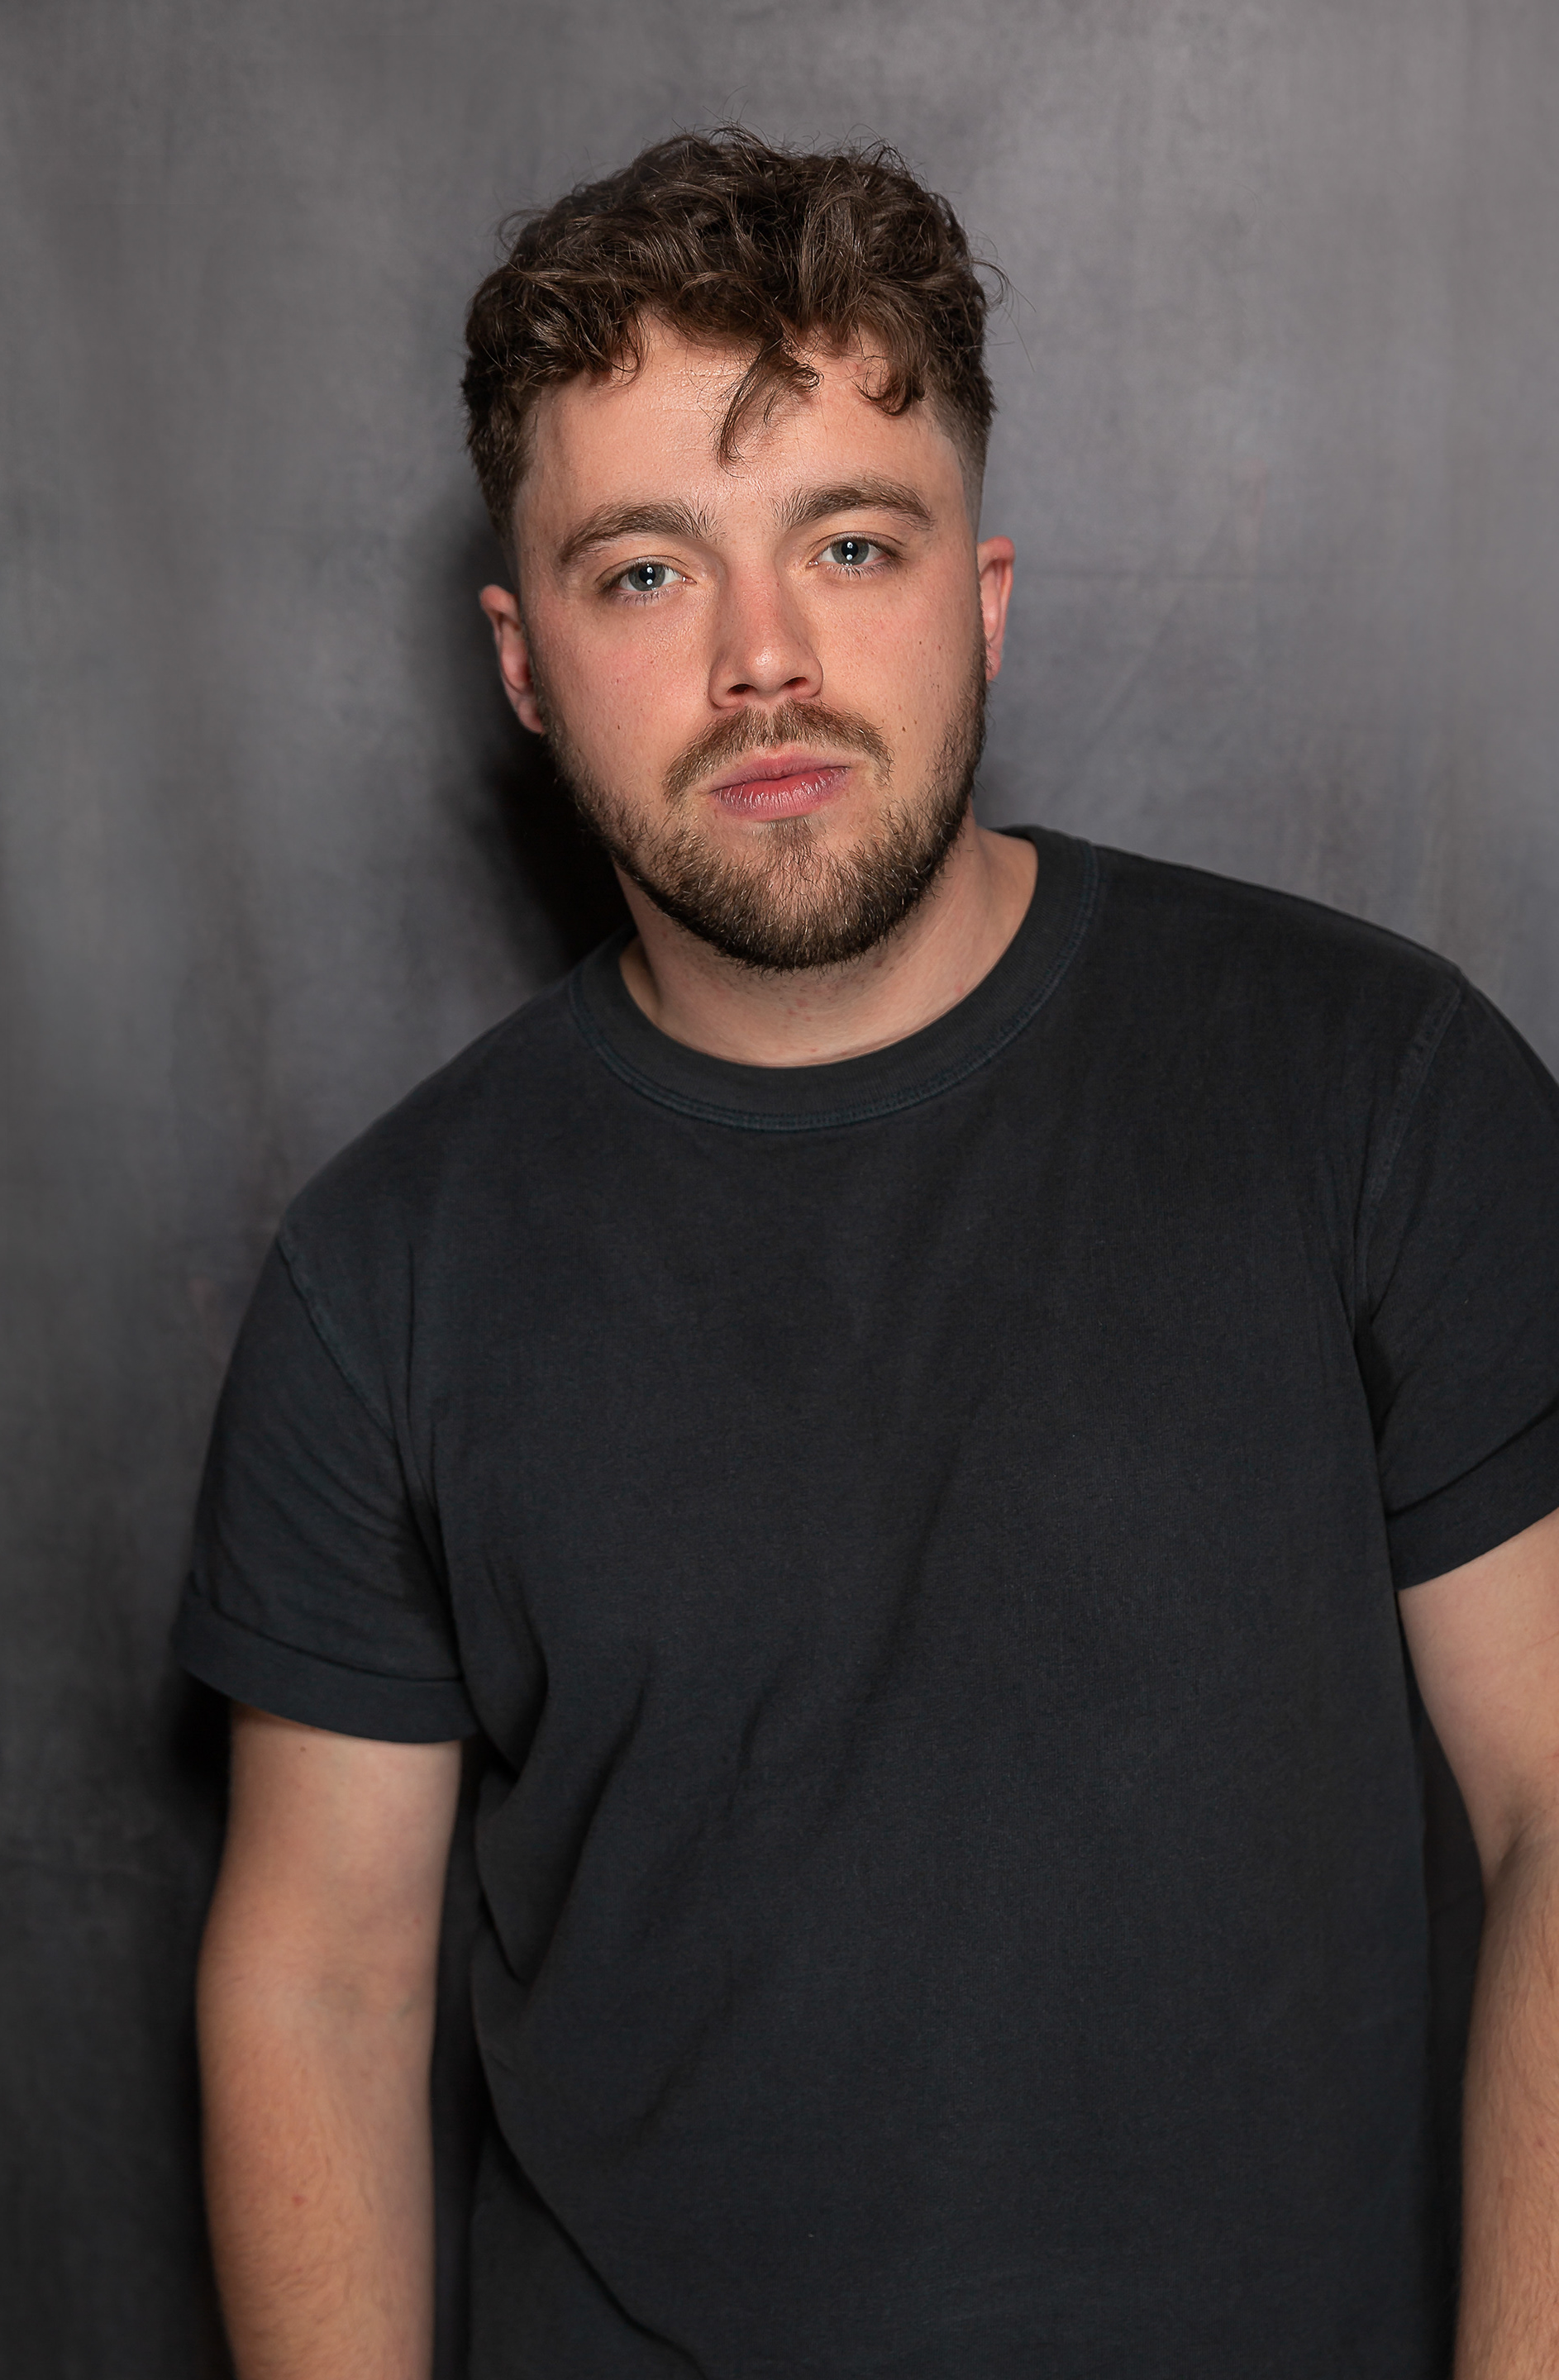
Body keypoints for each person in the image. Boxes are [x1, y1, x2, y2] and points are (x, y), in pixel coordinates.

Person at [175, 128, 1559, 2379]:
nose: (766, 661)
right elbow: (319, 1977)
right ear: (523, 664)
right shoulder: (386, 1274)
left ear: (981, 597)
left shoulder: (1374, 1091)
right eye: (646, 572)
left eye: (848, 539)